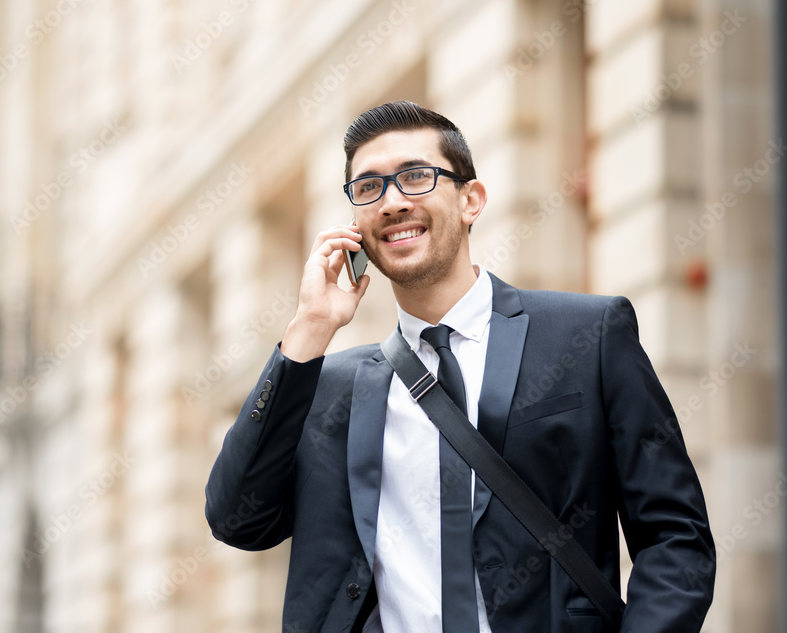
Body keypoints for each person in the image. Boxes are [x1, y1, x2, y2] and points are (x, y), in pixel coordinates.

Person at [205, 100, 715, 632]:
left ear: (471, 200)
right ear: (355, 224)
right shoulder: (331, 388)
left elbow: (675, 537)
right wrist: (309, 328)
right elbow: (238, 519)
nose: (392, 201)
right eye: (368, 188)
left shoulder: (588, 335)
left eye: (416, 177)